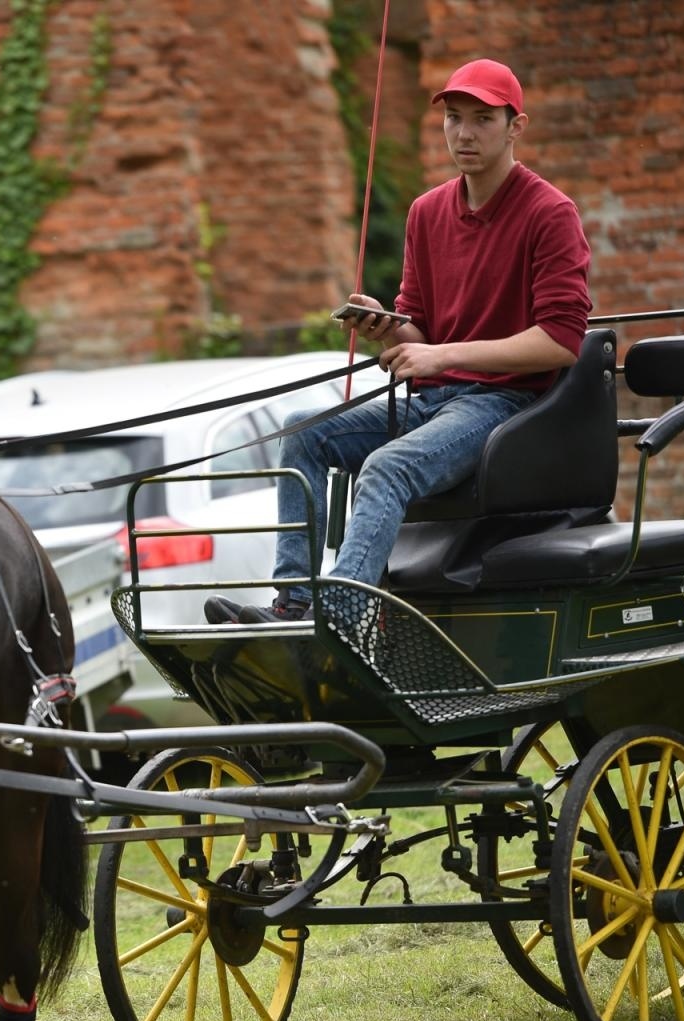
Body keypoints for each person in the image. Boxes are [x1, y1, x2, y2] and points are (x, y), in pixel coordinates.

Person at [207, 58, 592, 625]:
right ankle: (294, 605)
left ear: (516, 126)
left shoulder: (550, 213)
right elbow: (421, 333)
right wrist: (385, 325)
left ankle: (339, 622)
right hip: (434, 401)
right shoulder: (426, 213)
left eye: (483, 119)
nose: (464, 133)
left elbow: (561, 341)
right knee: (302, 434)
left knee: (387, 467)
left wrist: (443, 355)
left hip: (505, 405)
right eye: (454, 117)